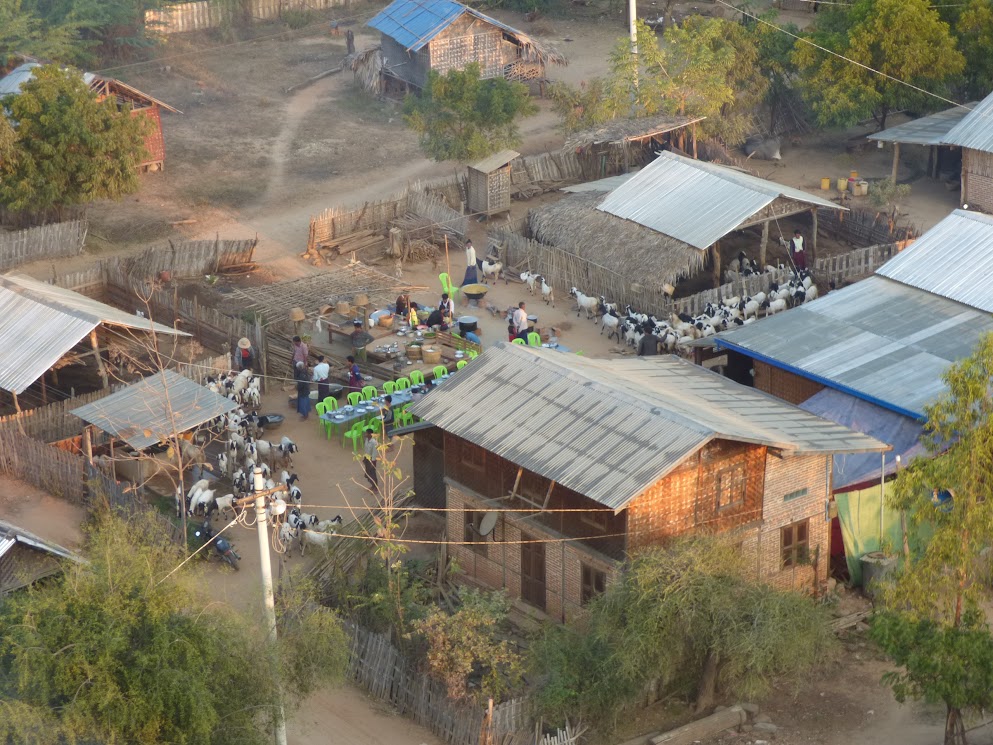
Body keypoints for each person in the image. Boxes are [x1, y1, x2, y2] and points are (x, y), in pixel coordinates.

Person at [362, 429, 379, 495]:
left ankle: (376, 488)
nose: (365, 434)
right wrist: (364, 458)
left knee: (372, 474)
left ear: (370, 434)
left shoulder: (374, 442)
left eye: (366, 433)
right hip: (367, 458)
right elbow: (366, 449)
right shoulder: (367, 440)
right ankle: (372, 486)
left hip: (372, 459)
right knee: (368, 473)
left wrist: (373, 462)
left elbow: (375, 453)